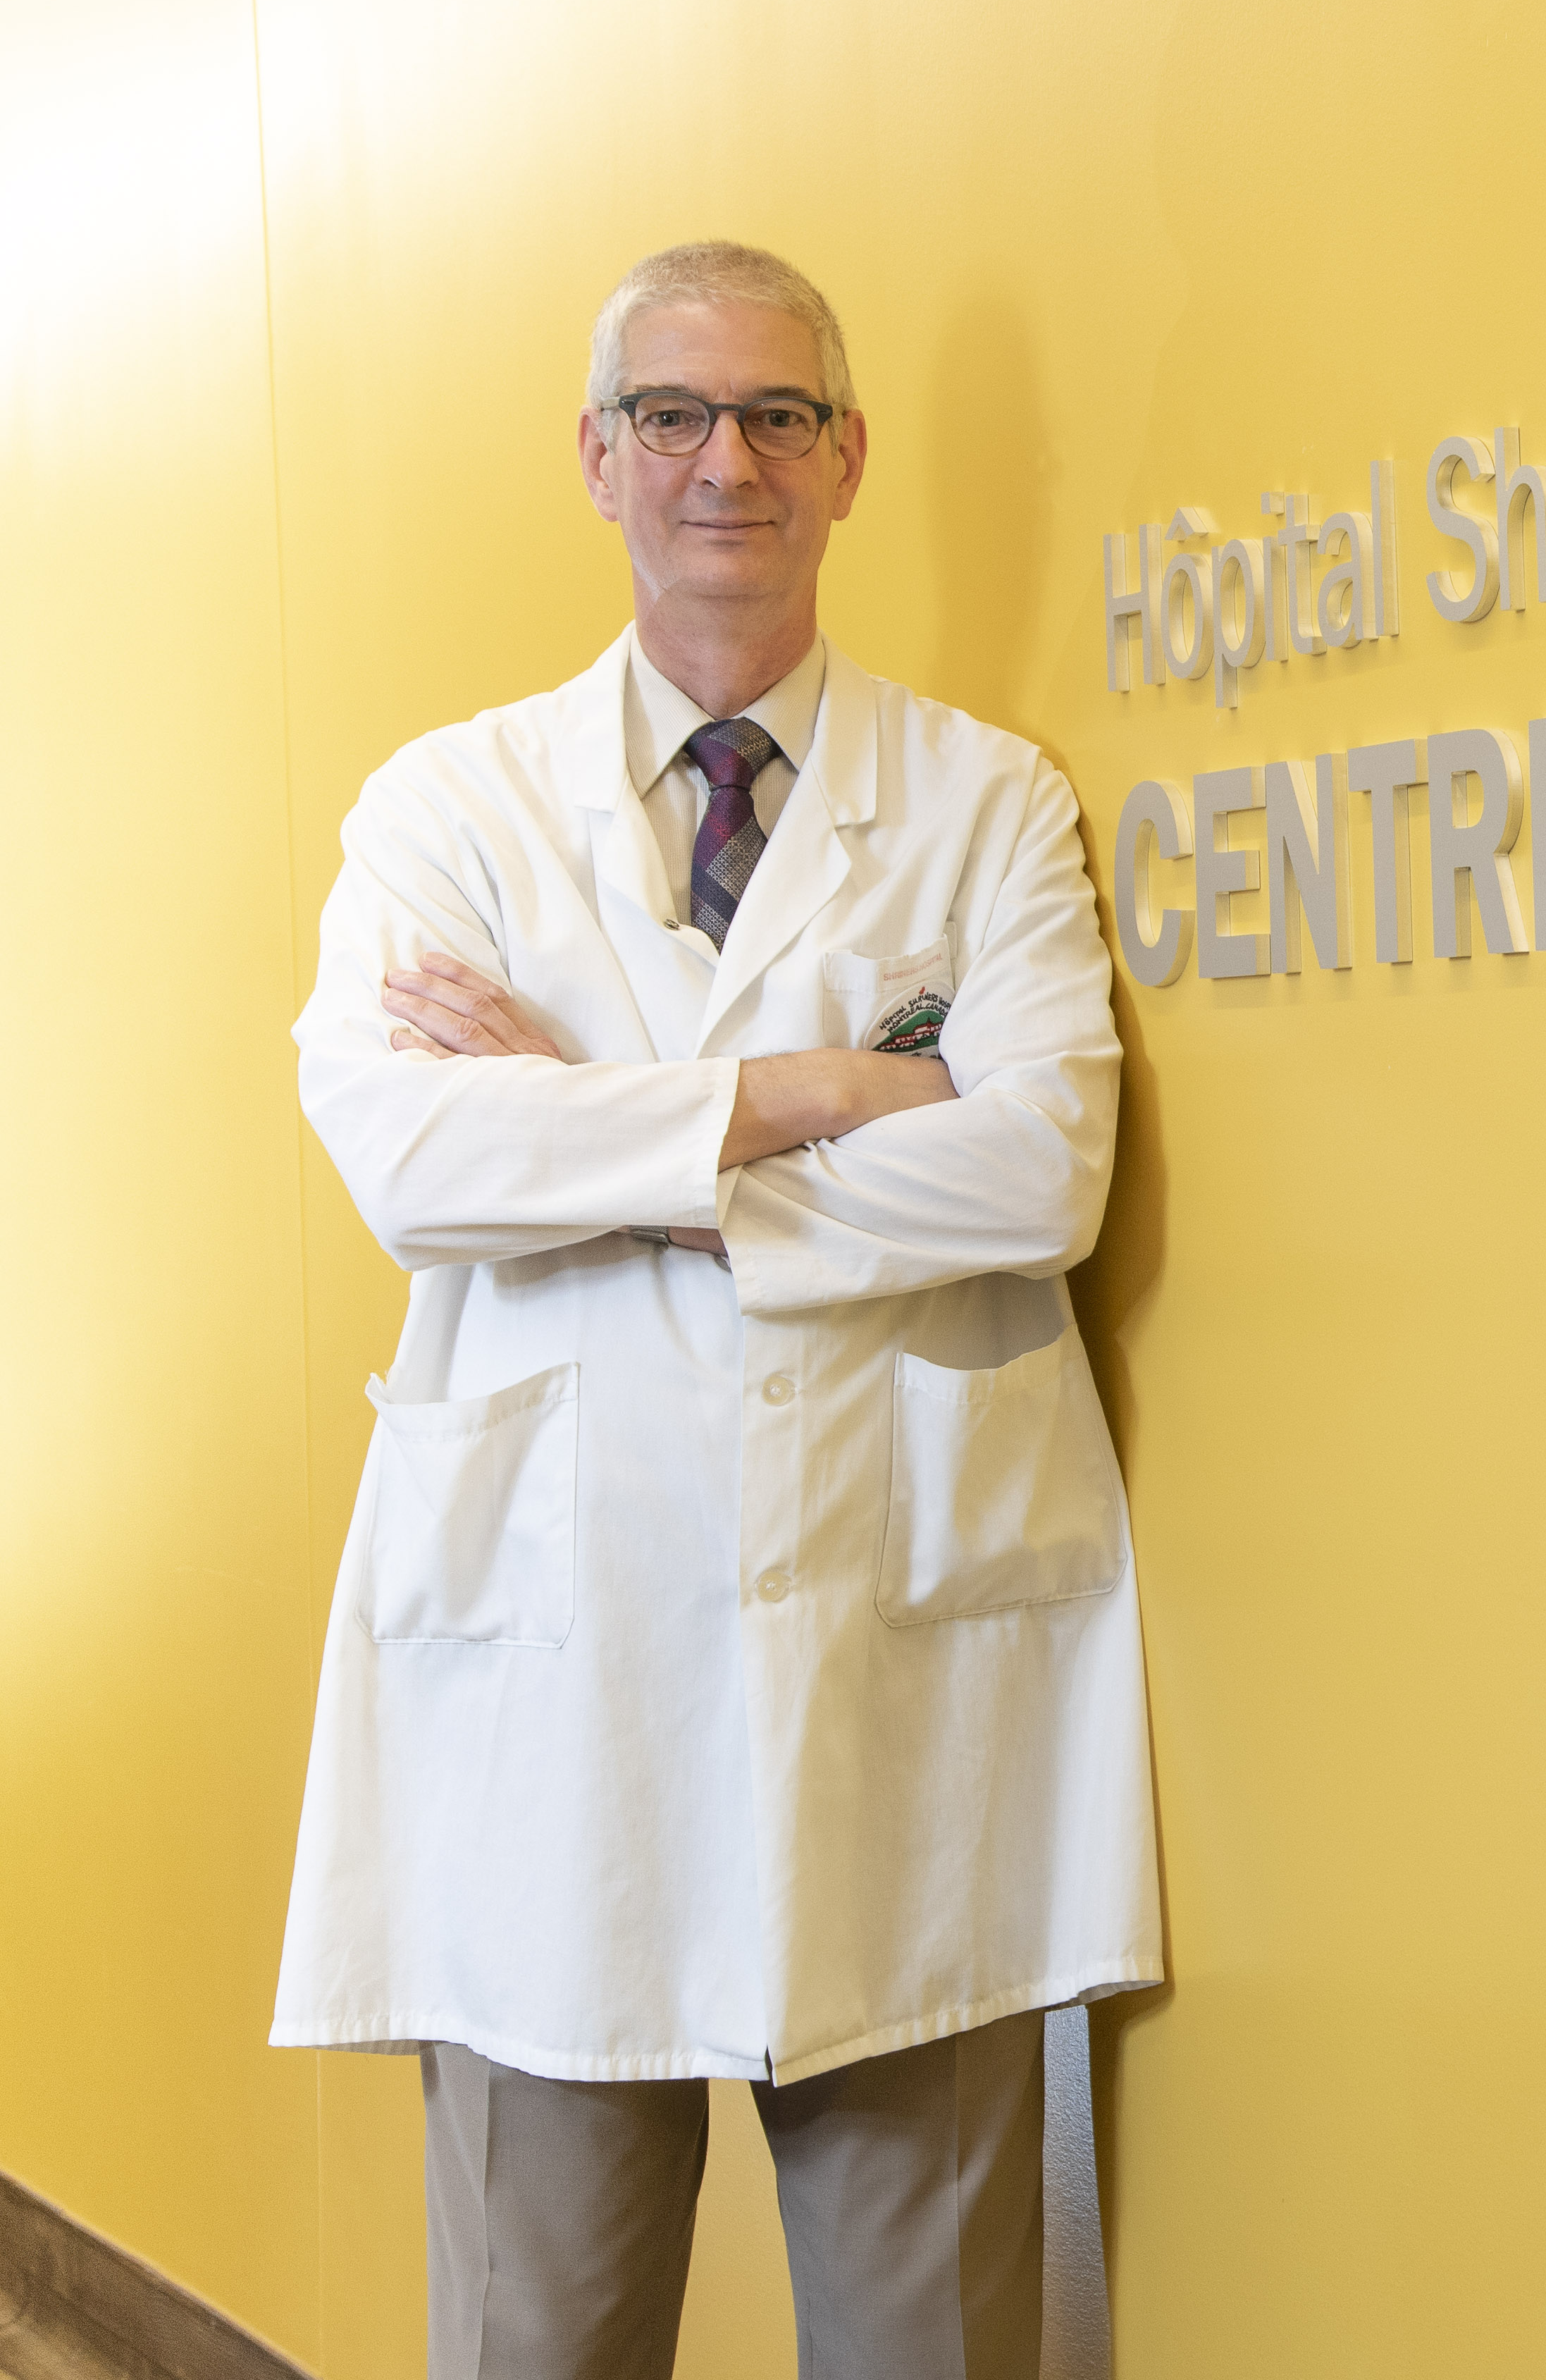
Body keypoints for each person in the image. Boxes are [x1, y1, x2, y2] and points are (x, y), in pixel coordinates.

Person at [268, 241, 1159, 2380]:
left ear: (847, 459)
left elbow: (1040, 1171)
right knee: (544, 2338)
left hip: (900, 1687)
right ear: (597, 457)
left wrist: (598, 1132)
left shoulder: (987, 803)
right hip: (550, 1709)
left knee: (929, 2343)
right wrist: (828, 1093)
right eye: (670, 415)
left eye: (775, 416)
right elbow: (417, 1163)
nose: (723, 464)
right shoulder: (448, 809)